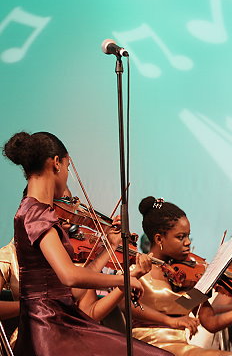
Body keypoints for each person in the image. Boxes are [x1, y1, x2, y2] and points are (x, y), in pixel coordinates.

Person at [2, 131, 170, 355]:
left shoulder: (33, 210)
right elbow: (69, 275)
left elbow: (68, 285)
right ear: (56, 163)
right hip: (49, 327)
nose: (67, 175)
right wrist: (124, 279)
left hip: (56, 320)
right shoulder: (36, 213)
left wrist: (110, 248)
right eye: (68, 167)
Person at [131, 196, 232, 356]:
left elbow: (210, 322)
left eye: (188, 236)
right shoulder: (137, 270)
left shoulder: (184, 278)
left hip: (179, 347)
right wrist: (170, 321)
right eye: (180, 237)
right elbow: (127, 305)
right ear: (159, 239)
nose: (188, 242)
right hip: (146, 347)